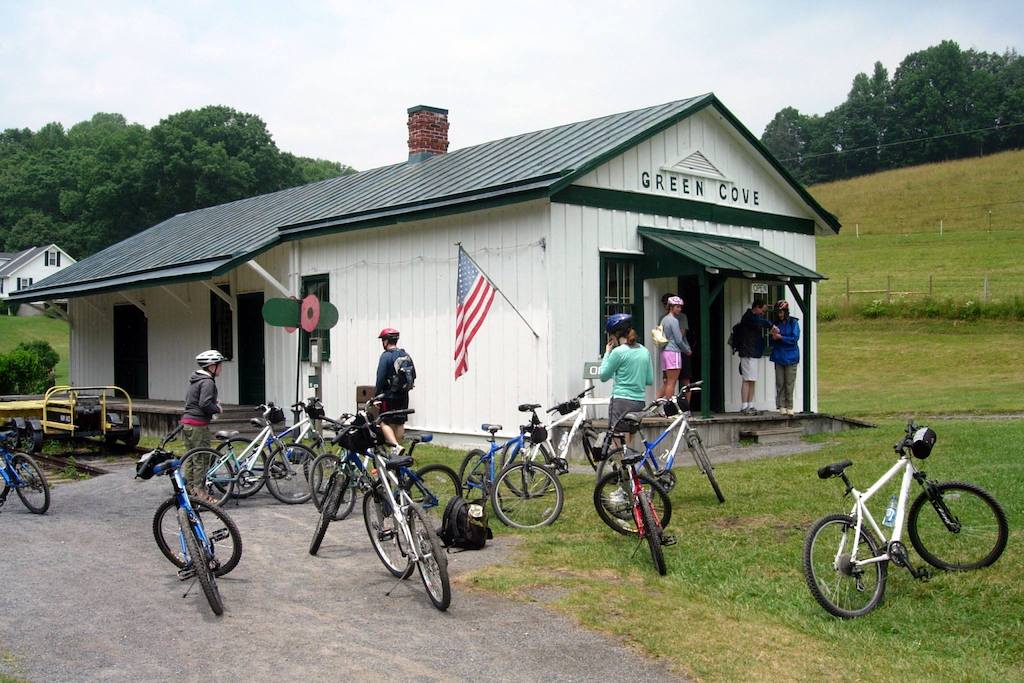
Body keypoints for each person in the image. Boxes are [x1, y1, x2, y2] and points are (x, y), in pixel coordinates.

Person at [599, 313, 654, 445]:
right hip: (639, 401)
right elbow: (649, 380)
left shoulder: (618, 352)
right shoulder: (644, 351)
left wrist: (607, 353)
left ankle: (621, 463)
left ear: (616, 335)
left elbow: (603, 376)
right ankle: (630, 463)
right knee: (630, 436)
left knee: (616, 437)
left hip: (621, 400)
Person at [181, 349, 225, 503]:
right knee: (202, 458)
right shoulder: (207, 382)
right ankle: (201, 494)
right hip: (198, 425)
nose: (221, 368)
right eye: (220, 365)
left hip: (187, 423)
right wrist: (217, 408)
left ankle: (189, 488)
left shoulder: (196, 380)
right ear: (212, 366)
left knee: (192, 457)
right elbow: (204, 403)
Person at [374, 327, 415, 454]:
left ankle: (395, 446)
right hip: (403, 396)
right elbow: (413, 374)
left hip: (389, 396)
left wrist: (376, 396)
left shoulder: (386, 356)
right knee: (399, 422)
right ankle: (396, 450)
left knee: (383, 421)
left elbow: (380, 377)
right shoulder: (405, 355)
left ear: (386, 341)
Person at [735, 299, 774, 415]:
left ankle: (750, 404)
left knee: (752, 379)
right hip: (747, 352)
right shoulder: (748, 317)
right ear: (757, 307)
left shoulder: (754, 318)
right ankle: (744, 405)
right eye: (762, 310)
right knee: (747, 379)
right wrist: (771, 325)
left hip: (755, 352)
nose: (763, 313)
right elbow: (760, 322)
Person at [769, 299, 801, 415]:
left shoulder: (793, 322)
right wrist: (773, 337)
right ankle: (781, 406)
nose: (779, 314)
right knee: (780, 382)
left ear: (786, 311)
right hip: (779, 356)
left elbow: (794, 338)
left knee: (789, 383)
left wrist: (781, 337)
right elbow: (772, 341)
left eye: (781, 312)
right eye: (778, 312)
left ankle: (790, 406)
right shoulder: (775, 324)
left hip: (791, 356)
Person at [658, 295, 692, 400]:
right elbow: (678, 339)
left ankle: (658, 404)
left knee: (668, 381)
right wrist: (687, 350)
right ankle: (669, 408)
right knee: (672, 383)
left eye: (680, 307)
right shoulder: (674, 320)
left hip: (664, 351)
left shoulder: (663, 319)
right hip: (673, 351)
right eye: (677, 306)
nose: (679, 309)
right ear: (671, 307)